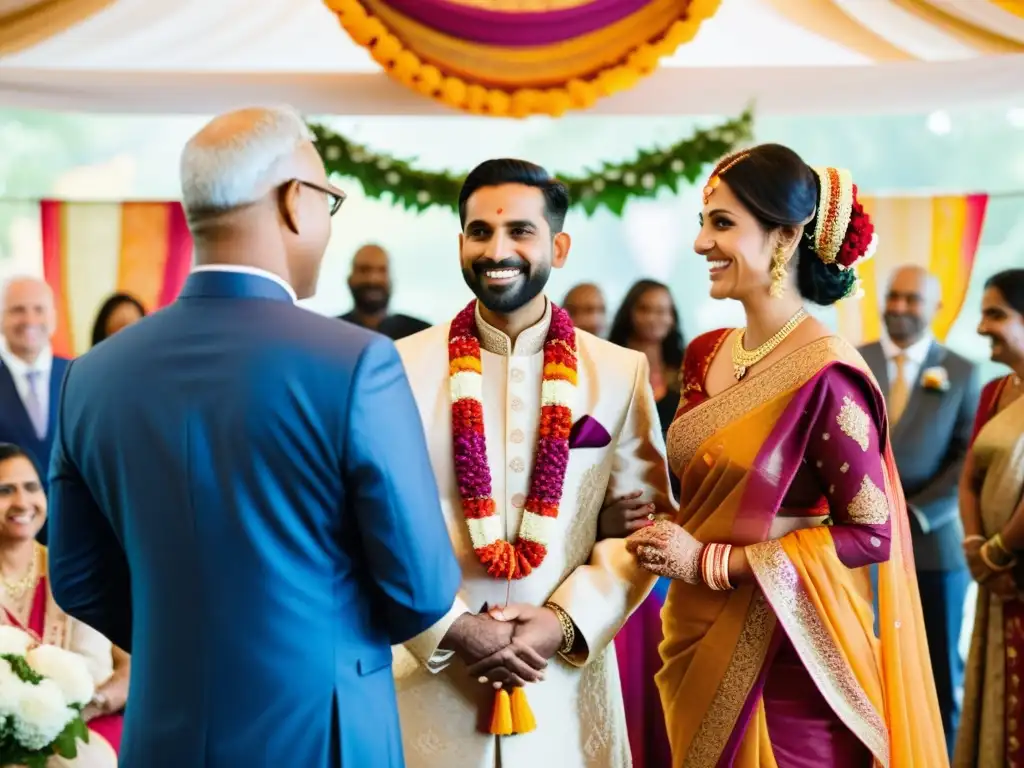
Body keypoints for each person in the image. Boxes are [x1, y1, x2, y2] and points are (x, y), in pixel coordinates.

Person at [45, 106, 462, 768]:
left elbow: (75, 576)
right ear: (296, 201)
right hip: (320, 734)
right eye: (330, 199)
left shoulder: (92, 376)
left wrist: (182, 641)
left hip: (163, 731)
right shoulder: (356, 363)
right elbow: (421, 588)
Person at [624, 144, 946, 767]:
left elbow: (871, 534)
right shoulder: (704, 354)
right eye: (702, 222)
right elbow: (704, 490)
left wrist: (715, 561)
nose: (700, 244)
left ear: (786, 236)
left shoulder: (827, 376)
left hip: (788, 651)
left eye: (722, 224)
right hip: (694, 630)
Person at [392, 158, 674, 768]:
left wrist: (564, 620)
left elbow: (646, 530)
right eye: (480, 232)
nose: (499, 249)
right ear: (460, 243)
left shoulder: (619, 373)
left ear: (559, 245)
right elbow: (371, 525)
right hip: (430, 678)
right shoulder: (398, 368)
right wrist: (450, 629)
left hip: (566, 687)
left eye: (521, 231)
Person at [859, 265, 979, 755]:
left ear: (937, 308)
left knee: (937, 667)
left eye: (912, 299)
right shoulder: (853, 359)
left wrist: (917, 513)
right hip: (864, 541)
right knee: (872, 664)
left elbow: (965, 457)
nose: (900, 307)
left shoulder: (962, 370)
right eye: (894, 296)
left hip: (935, 545)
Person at [0, 442, 129, 768]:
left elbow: (133, 665)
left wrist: (92, 704)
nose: (22, 501)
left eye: (32, 487)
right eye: (5, 490)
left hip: (91, 727)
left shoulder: (78, 573)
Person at [954, 269, 1024, 767]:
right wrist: (976, 545)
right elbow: (969, 478)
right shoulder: (994, 393)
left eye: (995, 314)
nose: (981, 327)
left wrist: (998, 554)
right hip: (994, 579)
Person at [0, 277, 70, 507]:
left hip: (73, 517)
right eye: (17, 310)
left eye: (39, 309)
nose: (29, 320)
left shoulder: (80, 375)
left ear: (53, 317)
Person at [608, 279, 686, 437]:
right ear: (628, 313)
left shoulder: (685, 369)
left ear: (672, 318)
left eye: (661, 311)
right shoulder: (608, 365)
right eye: (644, 309)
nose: (652, 318)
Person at [337, 243, 431, 339]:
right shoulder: (330, 335)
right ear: (349, 279)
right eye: (364, 270)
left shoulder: (420, 334)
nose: (373, 280)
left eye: (382, 270)